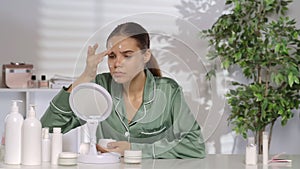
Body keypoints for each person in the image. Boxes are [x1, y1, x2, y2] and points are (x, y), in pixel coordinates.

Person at [40, 22, 206, 159]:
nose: (117, 63)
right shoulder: (99, 87)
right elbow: (45, 129)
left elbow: (195, 146)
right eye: (112, 56)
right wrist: (86, 75)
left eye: (127, 55)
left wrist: (134, 149)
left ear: (146, 56)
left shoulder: (168, 91)